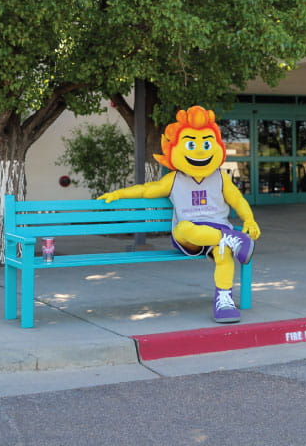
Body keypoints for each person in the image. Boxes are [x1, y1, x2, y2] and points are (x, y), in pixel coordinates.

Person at [99, 105, 260, 323]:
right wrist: (119, 194)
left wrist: (249, 219)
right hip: (189, 236)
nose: (201, 151)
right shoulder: (174, 179)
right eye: (192, 144)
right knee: (185, 228)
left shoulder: (221, 177)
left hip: (216, 231)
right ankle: (231, 240)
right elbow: (147, 190)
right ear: (174, 149)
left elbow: (238, 200)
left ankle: (224, 300)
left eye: (206, 143)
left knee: (223, 254)